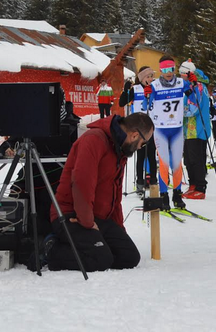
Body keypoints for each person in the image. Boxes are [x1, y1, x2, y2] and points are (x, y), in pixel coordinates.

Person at [45, 112, 154, 272]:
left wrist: (119, 230)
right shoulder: (94, 140)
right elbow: (82, 184)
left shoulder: (119, 149)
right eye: (142, 143)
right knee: (101, 259)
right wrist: (87, 222)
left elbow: (114, 196)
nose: (140, 148)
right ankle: (51, 249)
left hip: (98, 218)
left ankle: (89, 245)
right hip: (71, 215)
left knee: (129, 256)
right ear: (134, 135)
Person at [145, 55, 190, 209]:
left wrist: (193, 83)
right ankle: (163, 196)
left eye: (171, 69)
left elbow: (193, 91)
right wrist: (146, 94)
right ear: (160, 70)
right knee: (164, 164)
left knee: (177, 163)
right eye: (164, 69)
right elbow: (145, 103)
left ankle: (177, 195)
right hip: (161, 130)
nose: (168, 72)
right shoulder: (155, 85)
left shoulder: (180, 83)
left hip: (177, 129)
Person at [180, 60, 211, 200]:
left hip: (198, 129)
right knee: (188, 159)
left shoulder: (199, 86)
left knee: (197, 159)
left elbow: (194, 108)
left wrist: (179, 112)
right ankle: (192, 184)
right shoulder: (187, 86)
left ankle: (200, 186)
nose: (181, 77)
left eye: (183, 74)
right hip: (187, 130)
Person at [134, 67, 157, 195]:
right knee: (141, 157)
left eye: (151, 76)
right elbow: (122, 102)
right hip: (139, 129)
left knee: (151, 155)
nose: (150, 79)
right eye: (147, 77)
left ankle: (153, 181)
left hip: (152, 128)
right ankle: (140, 182)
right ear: (142, 78)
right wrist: (127, 91)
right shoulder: (136, 89)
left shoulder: (154, 89)